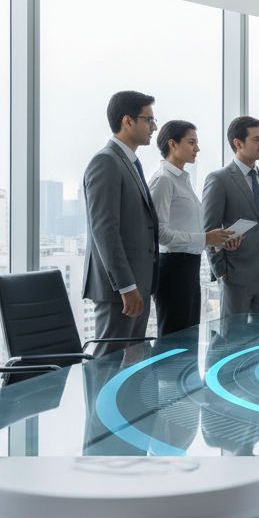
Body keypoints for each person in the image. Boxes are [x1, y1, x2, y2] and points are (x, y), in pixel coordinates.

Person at [82, 90, 162, 347]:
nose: (154, 127)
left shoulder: (129, 163)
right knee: (108, 365)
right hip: (120, 292)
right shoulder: (106, 162)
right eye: (149, 120)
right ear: (128, 121)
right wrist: (126, 286)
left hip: (137, 285)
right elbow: (104, 230)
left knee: (131, 367)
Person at [147, 120, 239, 336]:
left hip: (188, 266)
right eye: (191, 142)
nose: (197, 148)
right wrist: (206, 239)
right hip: (173, 268)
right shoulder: (163, 181)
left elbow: (188, 227)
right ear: (173, 144)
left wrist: (218, 241)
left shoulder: (181, 180)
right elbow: (160, 234)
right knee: (175, 340)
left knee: (187, 339)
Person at [202, 115, 259, 316]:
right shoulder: (219, 179)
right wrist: (220, 270)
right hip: (236, 275)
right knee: (233, 339)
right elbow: (209, 230)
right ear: (238, 143)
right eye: (256, 139)